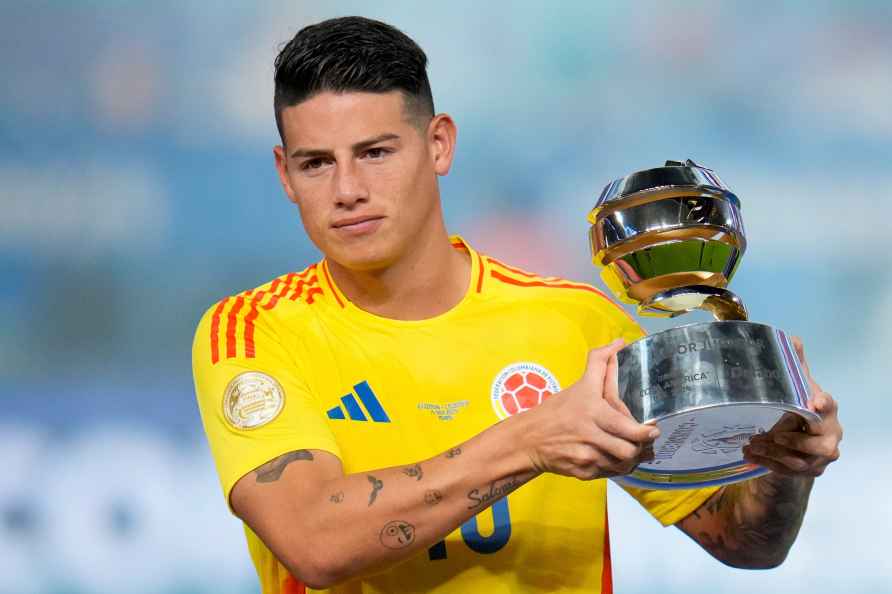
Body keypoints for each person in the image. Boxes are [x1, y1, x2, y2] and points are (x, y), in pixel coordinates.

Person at [192, 16, 842, 594]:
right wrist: (531, 439)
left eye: (376, 152)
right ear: (284, 174)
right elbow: (315, 544)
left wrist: (783, 464)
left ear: (439, 143)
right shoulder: (252, 333)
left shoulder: (574, 324)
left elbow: (745, 543)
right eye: (315, 164)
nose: (348, 190)